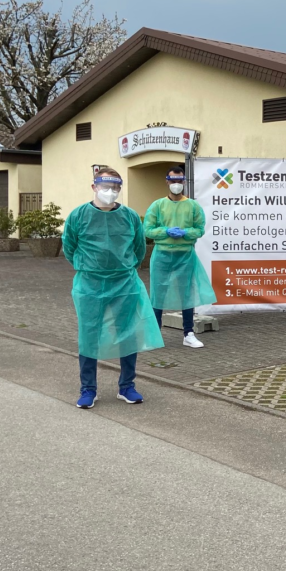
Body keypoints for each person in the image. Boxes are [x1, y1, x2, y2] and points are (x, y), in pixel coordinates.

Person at [62, 167, 164, 409]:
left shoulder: (129, 217)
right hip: (90, 283)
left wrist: (124, 268)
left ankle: (127, 386)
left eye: (115, 187)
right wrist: (87, 266)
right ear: (94, 186)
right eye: (105, 186)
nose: (110, 191)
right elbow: (69, 247)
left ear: (120, 188)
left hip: (125, 283)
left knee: (127, 333)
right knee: (89, 335)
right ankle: (88, 389)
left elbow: (139, 249)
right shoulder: (78, 216)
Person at [144, 166, 216, 348]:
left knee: (186, 294)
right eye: (173, 180)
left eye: (179, 181)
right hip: (162, 254)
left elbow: (199, 229)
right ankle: (155, 333)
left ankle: (188, 333)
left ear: (183, 182)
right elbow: (148, 229)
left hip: (185, 255)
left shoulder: (192, 205)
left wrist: (185, 233)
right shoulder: (158, 205)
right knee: (158, 293)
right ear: (167, 181)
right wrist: (166, 231)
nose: (176, 184)